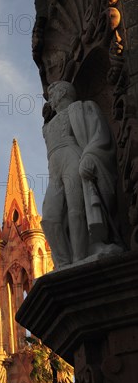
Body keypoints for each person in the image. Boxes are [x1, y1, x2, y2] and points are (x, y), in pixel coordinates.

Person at [42, 81, 122, 268]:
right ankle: (63, 261)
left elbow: (100, 134)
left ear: (62, 94)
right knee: (50, 217)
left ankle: (79, 259)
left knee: (75, 210)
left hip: (73, 157)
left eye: (53, 95)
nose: (50, 100)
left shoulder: (82, 108)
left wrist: (90, 155)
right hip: (54, 168)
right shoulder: (50, 123)